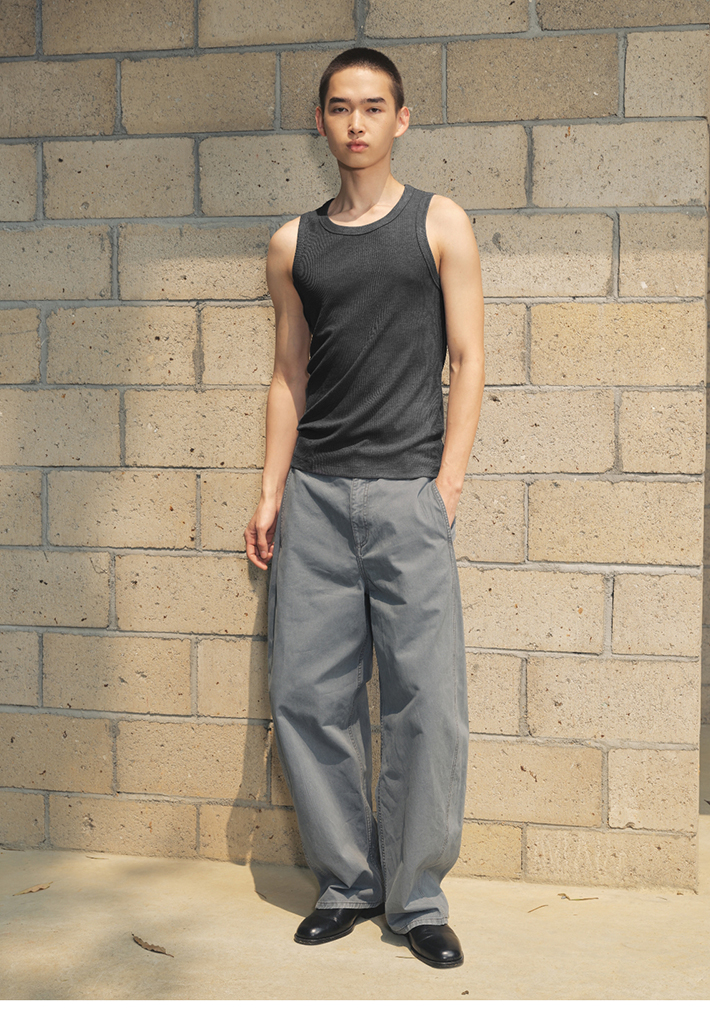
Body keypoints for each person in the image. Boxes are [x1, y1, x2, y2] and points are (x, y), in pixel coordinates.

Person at [244, 47, 484, 969]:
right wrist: (272, 490)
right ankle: (347, 883)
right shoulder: (293, 244)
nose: (356, 122)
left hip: (407, 494)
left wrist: (446, 483)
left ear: (401, 119)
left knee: (427, 703)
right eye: (340, 107)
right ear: (320, 121)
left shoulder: (439, 223)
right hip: (315, 495)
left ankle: (416, 898)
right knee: (308, 696)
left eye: (373, 106)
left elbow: (469, 358)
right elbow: (289, 373)